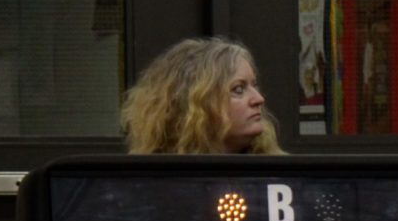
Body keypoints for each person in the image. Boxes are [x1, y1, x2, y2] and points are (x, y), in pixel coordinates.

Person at [120, 36, 285, 154]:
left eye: (254, 86)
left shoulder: (278, 180)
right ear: (196, 105)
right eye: (238, 90)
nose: (259, 99)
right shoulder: (154, 184)